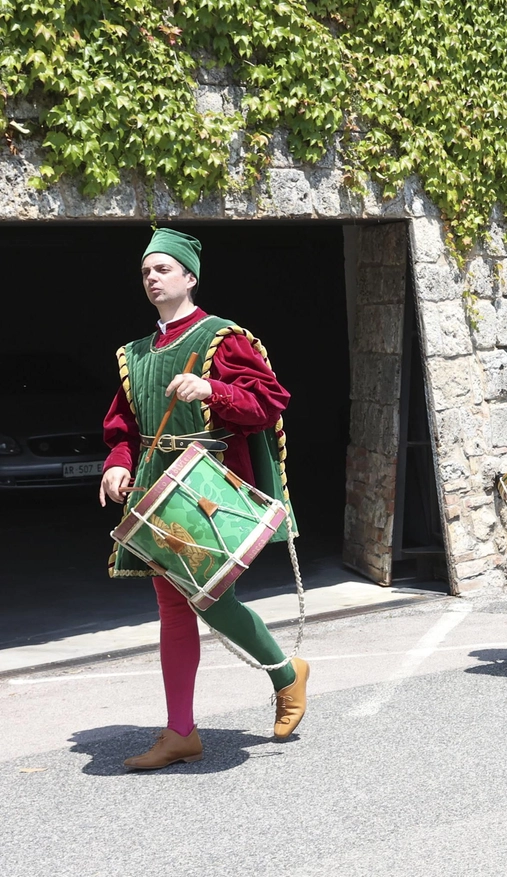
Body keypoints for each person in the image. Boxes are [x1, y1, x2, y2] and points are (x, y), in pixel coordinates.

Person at [100, 228, 309, 770]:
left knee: (210, 599)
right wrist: (118, 464)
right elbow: (123, 425)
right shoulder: (136, 353)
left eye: (163, 269)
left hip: (208, 486)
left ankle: (286, 674)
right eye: (146, 271)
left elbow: (270, 401)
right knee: (173, 605)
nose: (152, 278)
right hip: (155, 485)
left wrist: (212, 389)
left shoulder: (223, 338)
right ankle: (181, 730)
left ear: (190, 278)